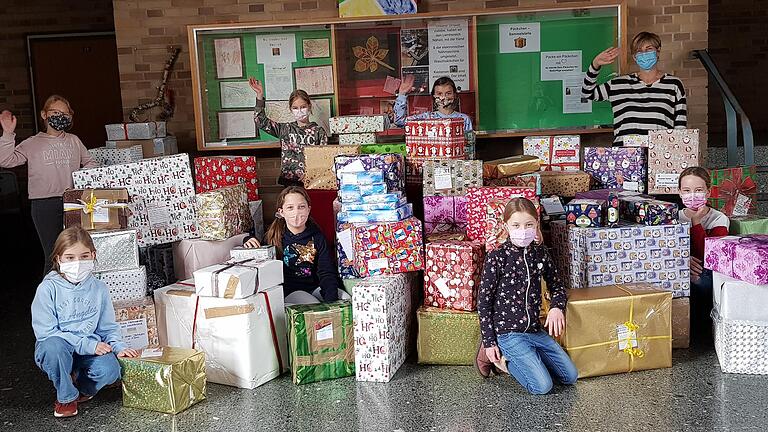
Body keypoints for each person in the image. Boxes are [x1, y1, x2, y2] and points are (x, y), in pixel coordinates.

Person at [31, 226, 139, 418]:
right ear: (58, 259)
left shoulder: (99, 288)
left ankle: (80, 387)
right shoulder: (47, 289)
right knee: (53, 349)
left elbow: (107, 327)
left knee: (111, 370)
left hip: (89, 350)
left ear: (93, 255)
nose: (77, 263)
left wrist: (118, 347)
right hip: (59, 348)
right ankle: (65, 397)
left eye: (84, 256)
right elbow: (46, 333)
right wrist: (87, 344)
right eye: (70, 258)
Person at [476, 198, 578, 395]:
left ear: (536, 224)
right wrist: (489, 341)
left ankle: (530, 357)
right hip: (508, 333)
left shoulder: (540, 254)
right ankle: (502, 363)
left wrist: (557, 307)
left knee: (570, 376)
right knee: (542, 387)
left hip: (534, 331)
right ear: (506, 226)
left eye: (529, 224)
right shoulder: (497, 257)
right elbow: (484, 302)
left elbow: (557, 286)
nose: (523, 230)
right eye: (516, 225)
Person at [0, 96, 98, 272]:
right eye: (55, 112)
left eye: (65, 114)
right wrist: (8, 134)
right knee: (54, 256)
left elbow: (90, 162)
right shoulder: (32, 143)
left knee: (76, 252)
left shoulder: (74, 140)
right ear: (44, 114)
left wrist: (80, 178)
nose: (60, 116)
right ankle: (49, 298)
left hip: (73, 202)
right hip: (44, 204)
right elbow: (6, 160)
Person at [242, 186, 349, 305]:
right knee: (312, 305)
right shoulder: (273, 237)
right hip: (291, 291)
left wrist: (331, 302)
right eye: (290, 208)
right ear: (281, 212)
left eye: (301, 207)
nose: (296, 212)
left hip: (315, 287)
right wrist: (247, 239)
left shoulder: (317, 237)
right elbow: (257, 252)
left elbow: (326, 271)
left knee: (345, 299)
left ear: (308, 209)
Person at [581, 31, 688, 145]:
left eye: (649, 49)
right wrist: (595, 64)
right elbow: (587, 93)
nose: (644, 53)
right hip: (624, 157)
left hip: (659, 155)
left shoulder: (674, 84)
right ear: (634, 57)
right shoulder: (618, 84)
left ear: (658, 51)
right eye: (639, 51)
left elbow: (680, 128)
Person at [248, 78, 328, 186]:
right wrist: (259, 95)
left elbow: (323, 159)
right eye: (295, 108)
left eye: (303, 107)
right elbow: (260, 120)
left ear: (309, 106)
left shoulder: (319, 132)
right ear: (290, 109)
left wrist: (314, 174)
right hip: (289, 181)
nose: (299, 110)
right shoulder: (285, 129)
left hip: (311, 181)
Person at [677, 166, 729, 327]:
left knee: (700, 282)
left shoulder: (719, 219)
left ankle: (702, 330)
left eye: (698, 190)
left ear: (708, 192)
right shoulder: (674, 217)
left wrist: (696, 222)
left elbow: (711, 256)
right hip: (681, 266)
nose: (692, 195)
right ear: (679, 192)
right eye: (686, 190)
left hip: (707, 269)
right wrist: (683, 259)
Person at [393, 75, 475, 158]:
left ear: (455, 95)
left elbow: (469, 147)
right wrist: (402, 94)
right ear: (433, 96)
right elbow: (399, 121)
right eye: (439, 93)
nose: (443, 97)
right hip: (431, 167)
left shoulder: (463, 119)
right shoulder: (426, 118)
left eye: (448, 93)